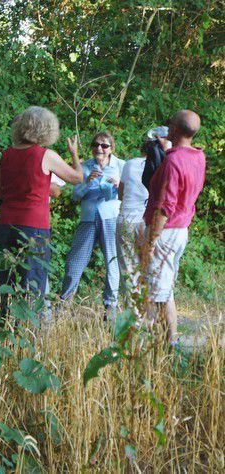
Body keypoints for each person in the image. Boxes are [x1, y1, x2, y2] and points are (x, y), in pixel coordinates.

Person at [0, 106, 83, 301]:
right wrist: (74, 154)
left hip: (6, 223)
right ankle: (27, 329)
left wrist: (15, 191)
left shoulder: (6, 155)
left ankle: (5, 325)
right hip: (34, 226)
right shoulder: (45, 155)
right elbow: (77, 178)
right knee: (32, 280)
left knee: (8, 278)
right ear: (45, 129)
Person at [142, 109, 205, 344]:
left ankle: (169, 344)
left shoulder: (172, 161)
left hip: (166, 231)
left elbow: (165, 207)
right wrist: (169, 150)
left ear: (175, 130)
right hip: (181, 230)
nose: (167, 127)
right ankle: (166, 341)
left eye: (170, 124)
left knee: (160, 292)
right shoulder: (197, 156)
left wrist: (150, 242)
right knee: (164, 287)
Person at [59, 131, 125, 320]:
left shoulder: (120, 166)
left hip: (111, 218)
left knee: (112, 261)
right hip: (88, 219)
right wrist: (87, 183)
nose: (99, 149)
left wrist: (118, 186)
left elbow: (130, 192)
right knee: (75, 262)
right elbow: (74, 196)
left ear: (111, 148)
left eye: (104, 145)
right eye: (96, 144)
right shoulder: (84, 167)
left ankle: (110, 307)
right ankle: (65, 302)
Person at [116, 140, 151, 297]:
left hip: (127, 219)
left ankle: (133, 313)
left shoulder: (129, 164)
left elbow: (120, 194)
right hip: (148, 220)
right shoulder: (164, 165)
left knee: (128, 270)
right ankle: (148, 310)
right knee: (147, 268)